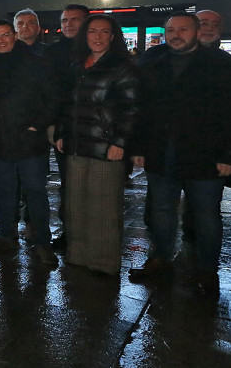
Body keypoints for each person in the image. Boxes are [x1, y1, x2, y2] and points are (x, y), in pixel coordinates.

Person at [130, 13, 231, 294]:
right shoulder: (154, 63)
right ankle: (161, 259)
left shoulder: (222, 64)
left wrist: (230, 154)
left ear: (196, 30)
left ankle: (207, 271)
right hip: (160, 152)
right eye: (171, 30)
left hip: (206, 155)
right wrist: (139, 147)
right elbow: (143, 111)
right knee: (162, 210)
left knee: (206, 215)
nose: (176, 34)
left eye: (183, 29)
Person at [54, 14, 137, 276]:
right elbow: (69, 106)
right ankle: (77, 256)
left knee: (104, 207)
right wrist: (61, 133)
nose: (97, 37)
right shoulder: (78, 65)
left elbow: (132, 109)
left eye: (104, 32)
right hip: (77, 144)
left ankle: (103, 263)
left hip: (106, 146)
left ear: (113, 37)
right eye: (92, 32)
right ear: (85, 36)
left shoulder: (122, 67)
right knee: (76, 204)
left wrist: (121, 142)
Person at [0, 21, 57, 266]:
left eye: (6, 35)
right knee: (4, 193)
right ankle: (6, 237)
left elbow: (51, 98)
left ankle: (42, 242)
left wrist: (37, 126)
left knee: (35, 191)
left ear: (15, 35)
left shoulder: (36, 62)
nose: (1, 40)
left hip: (30, 141)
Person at [46, 4, 88, 250]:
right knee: (69, 183)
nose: (69, 24)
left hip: (97, 131)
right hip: (65, 127)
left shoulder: (97, 50)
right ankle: (69, 233)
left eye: (75, 19)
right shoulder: (53, 53)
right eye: (65, 20)